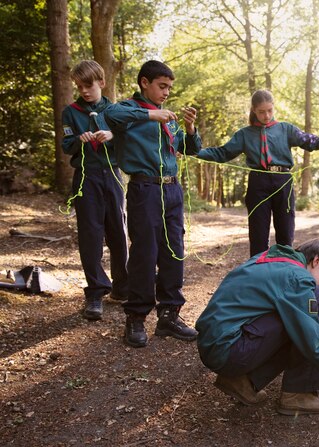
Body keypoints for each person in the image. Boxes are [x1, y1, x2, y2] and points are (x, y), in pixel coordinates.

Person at [195, 237, 319, 415]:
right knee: (314, 300)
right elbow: (312, 342)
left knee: (300, 313)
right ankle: (300, 392)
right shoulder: (296, 277)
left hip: (216, 344)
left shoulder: (275, 260)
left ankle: (243, 381)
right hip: (229, 349)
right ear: (316, 261)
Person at [104, 60, 202, 348]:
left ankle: (169, 315)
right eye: (162, 86)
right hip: (144, 189)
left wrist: (190, 127)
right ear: (144, 83)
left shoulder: (168, 117)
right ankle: (135, 317)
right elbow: (111, 115)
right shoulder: (128, 111)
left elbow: (189, 148)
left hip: (172, 190)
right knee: (145, 253)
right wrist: (150, 116)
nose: (167, 92)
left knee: (174, 250)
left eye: (170, 88)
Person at [195, 89, 319, 257]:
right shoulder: (244, 135)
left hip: (283, 182)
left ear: (273, 108)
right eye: (261, 112)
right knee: (258, 234)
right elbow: (222, 153)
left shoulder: (285, 129)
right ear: (254, 110)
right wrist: (195, 152)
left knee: (285, 233)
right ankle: (259, 273)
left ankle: (283, 272)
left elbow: (309, 140)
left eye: (270, 110)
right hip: (258, 183)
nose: (266, 115)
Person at [62, 60, 128, 321]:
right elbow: (66, 144)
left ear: (101, 82)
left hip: (112, 174)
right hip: (86, 176)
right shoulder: (72, 112)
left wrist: (113, 136)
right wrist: (79, 139)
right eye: (79, 86)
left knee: (118, 231)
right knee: (90, 234)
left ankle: (122, 286)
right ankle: (95, 292)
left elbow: (130, 139)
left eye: (88, 85)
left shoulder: (116, 110)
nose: (84, 91)